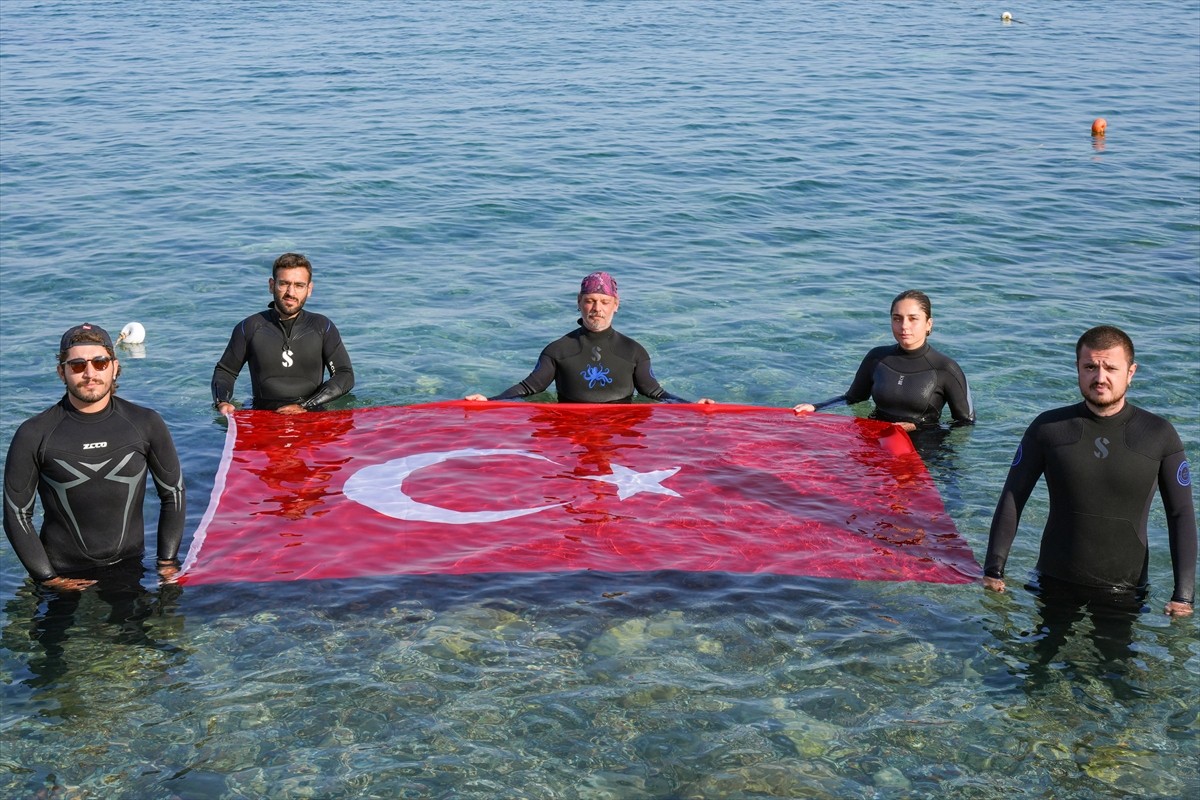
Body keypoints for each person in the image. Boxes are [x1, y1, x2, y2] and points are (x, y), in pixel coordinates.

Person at [983, 325, 1196, 618]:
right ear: (1078, 369)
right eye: (1090, 367)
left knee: (1115, 665)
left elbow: (1181, 514)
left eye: (1111, 367)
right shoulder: (1048, 428)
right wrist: (994, 569)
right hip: (1052, 581)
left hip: (1124, 590)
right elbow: (1012, 496)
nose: (1100, 377)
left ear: (1130, 372)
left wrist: (1183, 595)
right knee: (1035, 663)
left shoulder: (1159, 434)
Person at [3, 323, 187, 591]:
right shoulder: (34, 433)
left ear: (114, 366)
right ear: (61, 372)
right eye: (77, 365)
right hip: (61, 575)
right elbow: (16, 514)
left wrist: (167, 563)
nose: (89, 373)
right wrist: (48, 579)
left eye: (99, 363)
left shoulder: (146, 423)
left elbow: (173, 494)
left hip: (132, 569)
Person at [465, 271, 710, 404]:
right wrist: (488, 401)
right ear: (579, 304)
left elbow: (655, 393)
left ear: (616, 305)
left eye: (604, 302)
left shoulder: (634, 351)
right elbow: (529, 388)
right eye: (590, 301)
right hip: (571, 430)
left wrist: (691, 406)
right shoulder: (558, 350)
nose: (597, 309)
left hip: (618, 431)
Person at [793, 290, 974, 431]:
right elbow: (852, 398)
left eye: (913, 319)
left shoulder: (945, 368)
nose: (904, 326)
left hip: (923, 448)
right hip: (877, 436)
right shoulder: (877, 358)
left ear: (928, 324)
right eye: (897, 318)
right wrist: (816, 407)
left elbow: (966, 422)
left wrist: (917, 426)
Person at [212, 252, 354, 415]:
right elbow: (226, 371)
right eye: (284, 283)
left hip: (310, 415)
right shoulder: (249, 327)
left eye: (299, 285)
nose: (291, 293)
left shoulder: (322, 327)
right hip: (263, 416)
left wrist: (306, 406)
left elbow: (345, 375)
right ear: (272, 285)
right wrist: (222, 402)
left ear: (309, 289)